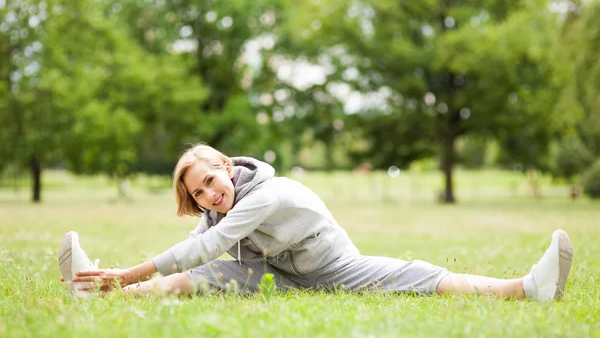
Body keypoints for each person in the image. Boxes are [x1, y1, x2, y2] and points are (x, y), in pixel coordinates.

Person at [58, 144, 573, 301]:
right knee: (188, 282)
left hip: (330, 267)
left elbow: (210, 243)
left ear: (227, 166)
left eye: (213, 180)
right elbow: (195, 249)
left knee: (416, 275)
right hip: (270, 273)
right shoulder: (219, 210)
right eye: (200, 193)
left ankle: (527, 288)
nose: (211, 193)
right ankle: (97, 291)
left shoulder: (267, 194)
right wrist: (123, 277)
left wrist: (130, 269)